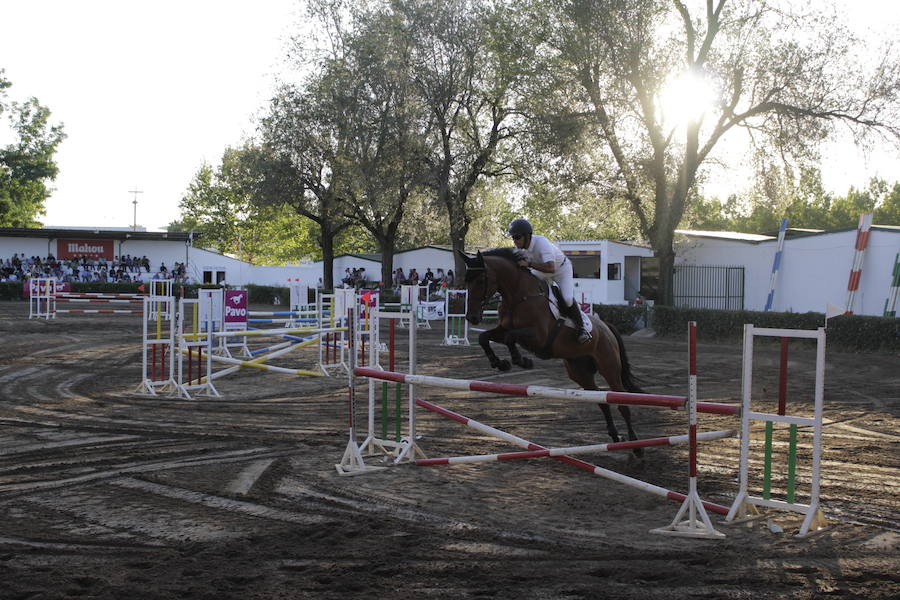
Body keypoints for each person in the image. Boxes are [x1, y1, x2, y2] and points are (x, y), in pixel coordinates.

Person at [507, 218, 591, 343]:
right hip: (542, 270)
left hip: (561, 269)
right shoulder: (519, 249)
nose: (515, 241)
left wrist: (529, 263)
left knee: (567, 299)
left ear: (527, 236)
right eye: (513, 238)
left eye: (517, 237)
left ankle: (582, 328)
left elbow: (551, 268)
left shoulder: (542, 243)